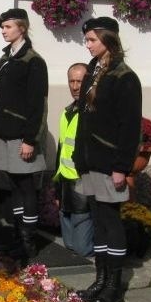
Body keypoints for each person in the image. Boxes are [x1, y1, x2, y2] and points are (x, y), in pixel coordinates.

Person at [73, 16, 141, 302]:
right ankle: (100, 278)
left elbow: (129, 127)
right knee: (98, 221)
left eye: (92, 40)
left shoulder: (124, 77)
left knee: (111, 222)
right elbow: (84, 119)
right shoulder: (93, 70)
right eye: (86, 40)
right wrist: (79, 155)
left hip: (110, 161)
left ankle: (114, 285)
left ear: (108, 40)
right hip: (90, 160)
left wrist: (121, 167)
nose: (87, 45)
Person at [0, 8, 49, 263]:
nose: (4, 30)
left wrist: (29, 140)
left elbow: (37, 104)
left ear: (22, 28)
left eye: (8, 26)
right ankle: (16, 235)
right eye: (2, 27)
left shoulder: (33, 61)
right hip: (4, 132)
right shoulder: (7, 59)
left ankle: (28, 241)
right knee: (11, 186)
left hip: (21, 134)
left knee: (26, 188)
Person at [54, 63, 93, 257]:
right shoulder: (67, 112)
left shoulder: (93, 112)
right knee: (68, 245)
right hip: (65, 182)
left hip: (83, 183)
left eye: (80, 81)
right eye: (72, 81)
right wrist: (56, 187)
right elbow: (61, 149)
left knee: (82, 249)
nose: (75, 86)